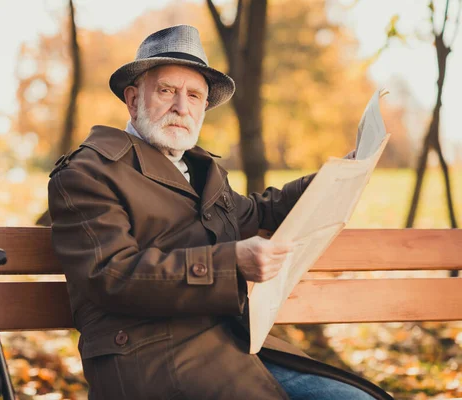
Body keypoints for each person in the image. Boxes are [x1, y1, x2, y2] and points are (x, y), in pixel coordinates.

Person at [48, 25, 392, 400]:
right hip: (148, 361)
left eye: (195, 96)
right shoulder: (89, 172)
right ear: (133, 99)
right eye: (167, 91)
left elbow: (259, 211)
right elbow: (110, 274)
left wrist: (340, 174)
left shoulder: (201, 171)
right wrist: (231, 263)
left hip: (229, 346)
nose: (182, 107)